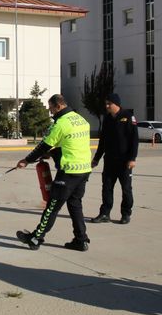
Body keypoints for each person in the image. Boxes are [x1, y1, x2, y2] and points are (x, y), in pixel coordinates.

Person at [15, 94, 92, 251]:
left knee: (52, 207)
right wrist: (54, 153)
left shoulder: (61, 124)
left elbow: (43, 146)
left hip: (69, 171)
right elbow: (72, 144)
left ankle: (36, 238)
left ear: (58, 106)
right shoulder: (80, 119)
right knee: (75, 205)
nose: (51, 112)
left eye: (51, 108)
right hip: (83, 169)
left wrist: (26, 160)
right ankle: (81, 240)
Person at [90, 93, 138, 224]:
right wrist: (96, 158)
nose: (106, 106)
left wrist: (132, 158)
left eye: (109, 104)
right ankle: (105, 213)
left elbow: (134, 140)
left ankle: (126, 214)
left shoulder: (128, 117)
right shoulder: (107, 119)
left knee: (126, 189)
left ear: (116, 104)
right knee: (107, 188)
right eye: (106, 103)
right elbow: (103, 141)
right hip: (110, 161)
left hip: (124, 161)